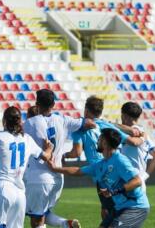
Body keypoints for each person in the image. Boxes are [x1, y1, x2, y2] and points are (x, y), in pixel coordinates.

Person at [63, 96, 145, 226]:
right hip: (116, 169)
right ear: (100, 112)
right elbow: (133, 142)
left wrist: (64, 155)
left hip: (101, 173)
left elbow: (76, 153)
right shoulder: (107, 125)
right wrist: (142, 137)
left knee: (110, 211)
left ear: (86, 110)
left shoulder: (81, 127)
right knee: (112, 208)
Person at [48, 128, 150, 228]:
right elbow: (78, 171)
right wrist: (55, 168)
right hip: (120, 208)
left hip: (136, 207)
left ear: (105, 142)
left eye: (100, 139)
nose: (97, 141)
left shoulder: (120, 160)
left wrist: (115, 191)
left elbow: (137, 181)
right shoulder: (101, 164)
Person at [24, 89, 95, 228]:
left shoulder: (29, 124)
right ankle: (65, 224)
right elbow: (90, 124)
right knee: (43, 213)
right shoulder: (62, 119)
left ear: (37, 103)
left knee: (36, 220)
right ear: (54, 104)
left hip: (39, 177)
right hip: (57, 177)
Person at [0, 106, 53, 228]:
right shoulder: (27, 139)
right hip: (20, 194)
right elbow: (46, 157)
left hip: (1, 189)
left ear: (4, 120)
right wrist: (48, 149)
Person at [120, 102, 155, 192]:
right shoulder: (143, 133)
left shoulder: (136, 132)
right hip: (138, 182)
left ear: (124, 115)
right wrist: (144, 176)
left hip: (129, 181)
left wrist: (112, 124)